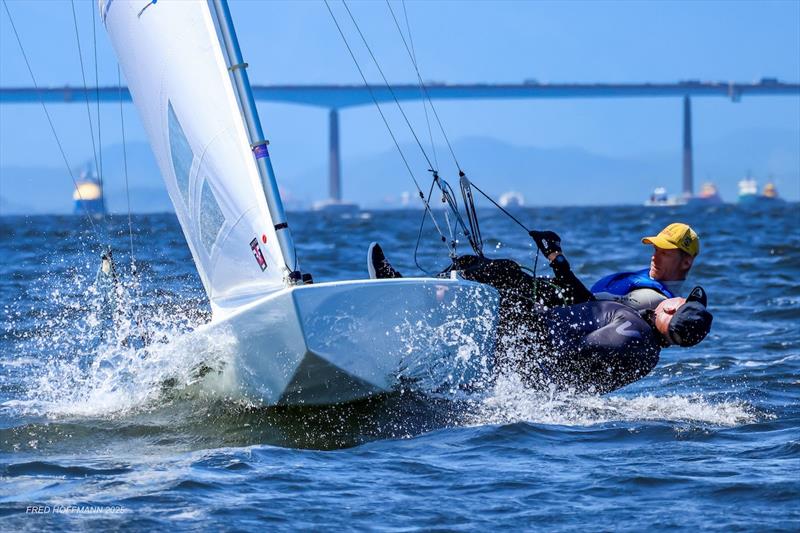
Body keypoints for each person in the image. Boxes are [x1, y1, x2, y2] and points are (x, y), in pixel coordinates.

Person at [367, 231, 713, 393]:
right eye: (655, 246)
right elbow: (592, 306)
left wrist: (559, 264)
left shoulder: (656, 300)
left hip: (560, 321)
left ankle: (404, 292)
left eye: (665, 251)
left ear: (685, 261)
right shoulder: (640, 286)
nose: (656, 253)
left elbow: (590, 307)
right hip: (565, 313)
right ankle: (415, 291)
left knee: (497, 275)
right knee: (485, 267)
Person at [591, 222, 700, 312]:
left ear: (686, 262)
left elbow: (592, 302)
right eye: (656, 250)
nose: (654, 257)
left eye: (664, 253)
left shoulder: (655, 300)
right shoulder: (647, 277)